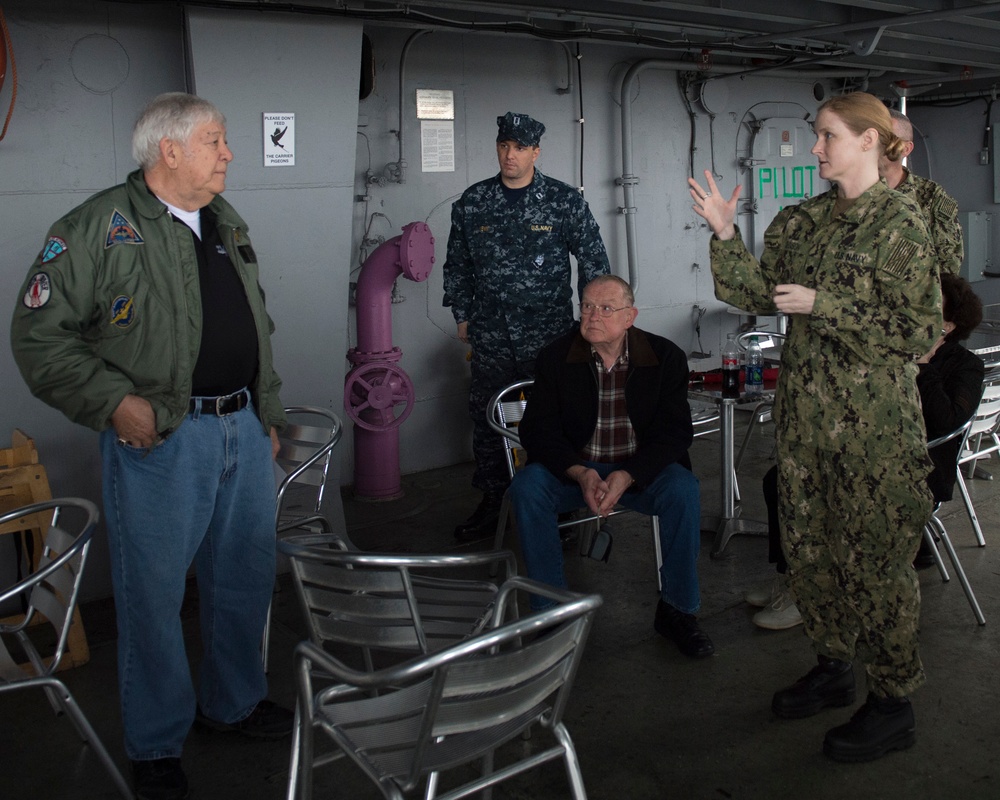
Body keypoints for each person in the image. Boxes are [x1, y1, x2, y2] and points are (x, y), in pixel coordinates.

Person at [10, 93, 289, 800]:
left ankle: (233, 704)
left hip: (242, 430)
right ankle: (157, 744)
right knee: (153, 597)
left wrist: (268, 410)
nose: (228, 153)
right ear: (170, 150)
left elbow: (258, 323)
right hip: (162, 440)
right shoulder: (98, 226)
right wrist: (113, 403)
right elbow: (39, 337)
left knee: (243, 579)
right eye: (216, 141)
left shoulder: (225, 220)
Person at [690, 92, 941, 762]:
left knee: (877, 568)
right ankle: (834, 667)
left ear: (869, 141)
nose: (816, 148)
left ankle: (892, 702)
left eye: (828, 136)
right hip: (804, 426)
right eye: (817, 135)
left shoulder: (903, 228)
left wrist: (824, 306)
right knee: (810, 555)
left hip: (875, 438)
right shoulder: (800, 222)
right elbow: (757, 292)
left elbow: (917, 333)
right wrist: (723, 234)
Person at [747, 272, 984, 623]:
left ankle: (815, 594)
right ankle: (796, 578)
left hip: (917, 471)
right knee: (781, 479)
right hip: (860, 452)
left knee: (836, 497)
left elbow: (947, 419)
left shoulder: (965, 366)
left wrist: (922, 366)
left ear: (946, 326)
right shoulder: (889, 346)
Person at [508, 275, 714, 659]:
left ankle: (678, 610)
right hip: (576, 468)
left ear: (629, 316)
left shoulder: (664, 357)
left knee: (683, 490)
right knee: (527, 489)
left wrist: (628, 473)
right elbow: (538, 430)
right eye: (586, 306)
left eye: (606, 308)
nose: (592, 316)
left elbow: (674, 433)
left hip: (637, 468)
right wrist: (580, 472)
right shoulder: (556, 356)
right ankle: (549, 614)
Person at [443, 111, 611, 542]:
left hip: (550, 335)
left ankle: (559, 501)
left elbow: (593, 262)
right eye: (503, 146)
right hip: (492, 334)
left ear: (536, 151)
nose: (509, 155)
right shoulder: (473, 201)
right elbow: (457, 265)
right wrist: (462, 314)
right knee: (488, 417)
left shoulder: (563, 201)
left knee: (552, 420)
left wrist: (595, 319)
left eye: (519, 148)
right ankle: (494, 500)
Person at [879, 109, 963, 276]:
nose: (876, 145)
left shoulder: (931, 197)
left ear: (906, 148)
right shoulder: (850, 192)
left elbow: (947, 266)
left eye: (886, 139)